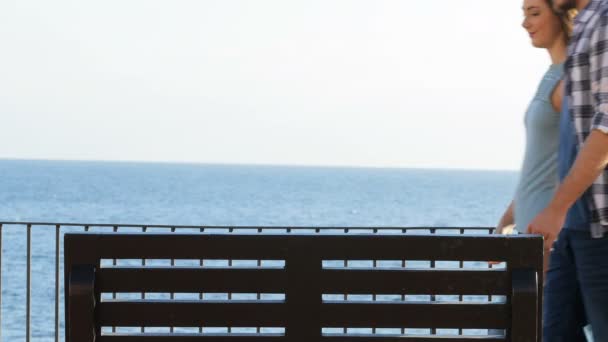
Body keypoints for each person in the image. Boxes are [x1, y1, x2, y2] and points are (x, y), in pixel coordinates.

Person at [527, 0, 608, 340]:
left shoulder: (605, 20)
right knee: (552, 332)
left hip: (600, 227)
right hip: (577, 225)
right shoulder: (588, 23)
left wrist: (556, 208)